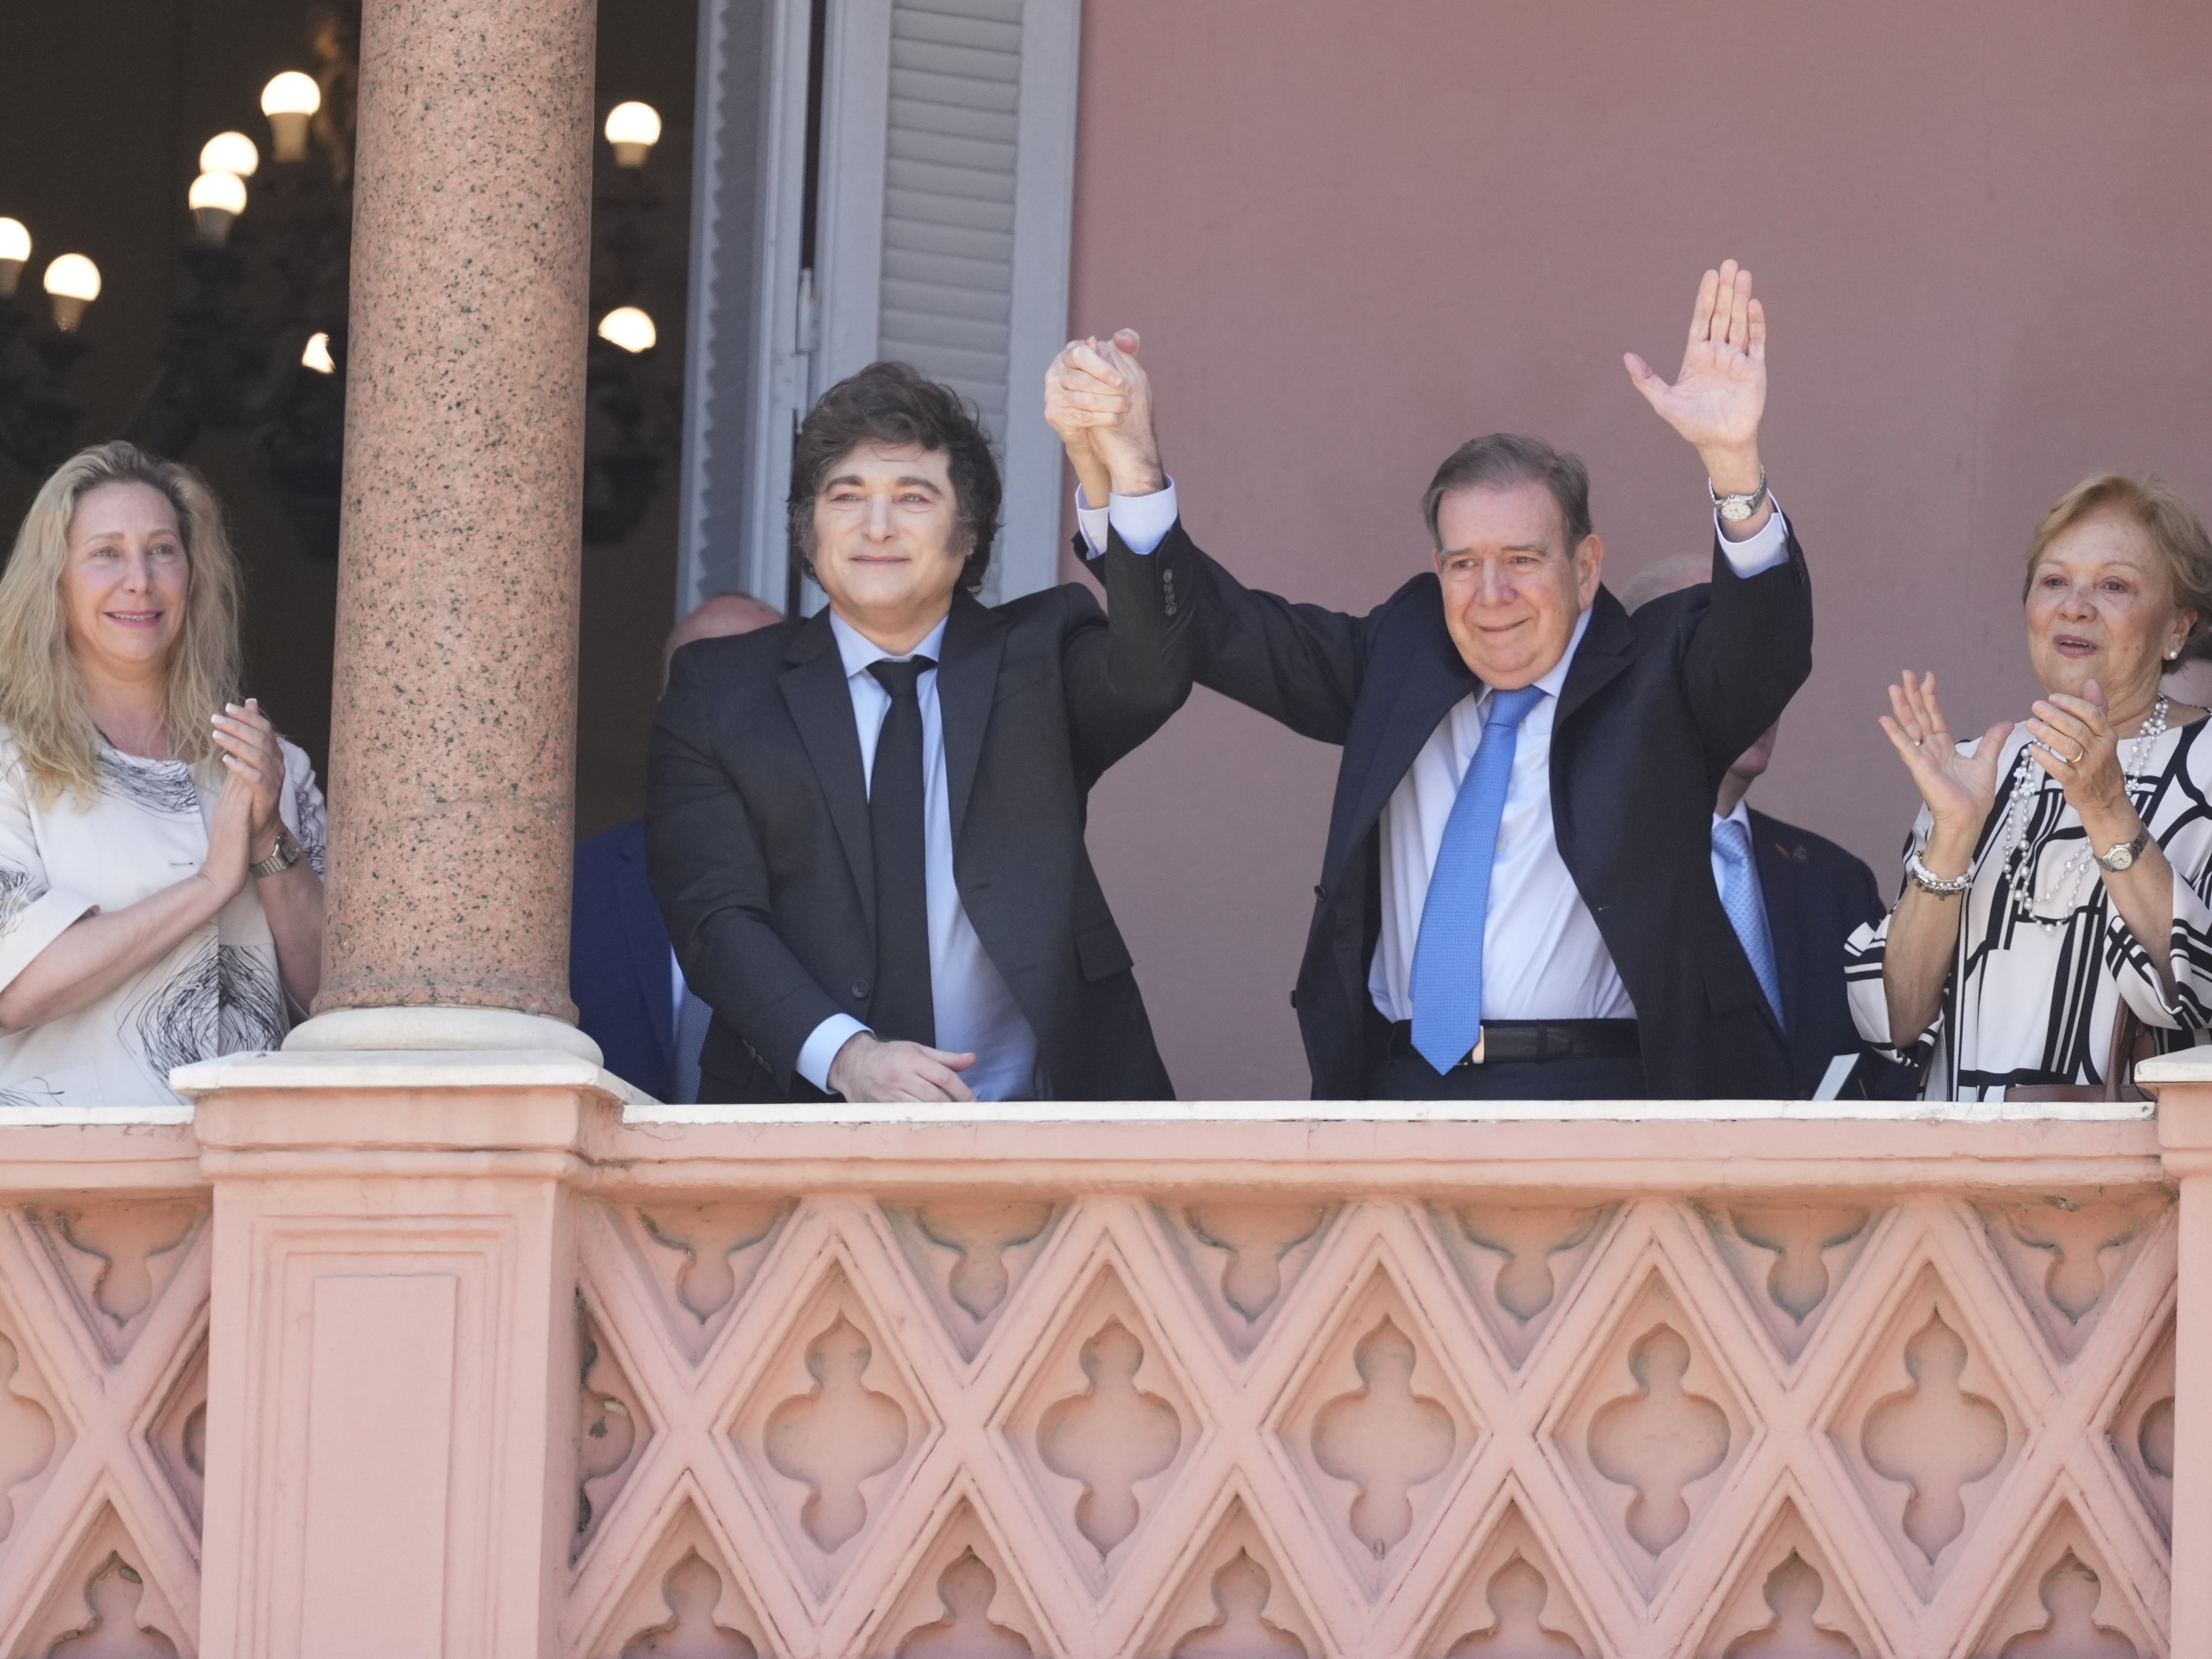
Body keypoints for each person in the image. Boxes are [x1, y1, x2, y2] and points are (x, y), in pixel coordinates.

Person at [1050, 264, 1810, 1099]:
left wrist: (1733, 465)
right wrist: (1131, 470)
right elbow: (1222, 630)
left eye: (1521, 560)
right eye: (1463, 564)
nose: (1490, 597)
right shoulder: (1404, 655)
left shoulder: (1654, 680)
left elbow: (1759, 649)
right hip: (1397, 1087)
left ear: (1584, 567)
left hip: (1598, 1093)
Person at [647, 360, 1196, 1103]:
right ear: (809, 532)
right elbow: (712, 914)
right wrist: (848, 1058)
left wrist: (1128, 466)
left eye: (913, 496)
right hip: (800, 1123)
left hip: (1044, 1123)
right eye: (847, 497)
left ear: (967, 532)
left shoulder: (1040, 651)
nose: (877, 526)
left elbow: (1151, 672)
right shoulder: (718, 690)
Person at [1848, 474, 2212, 1100]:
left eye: (2115, 584)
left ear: (2176, 628)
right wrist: (1954, 835)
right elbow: (1899, 1020)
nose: (2075, 605)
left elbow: (2195, 996)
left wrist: (2104, 807)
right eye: (2053, 581)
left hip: (2140, 1181)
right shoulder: (1972, 765)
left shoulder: (2204, 764)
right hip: (1960, 1171)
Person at [0, 442, 324, 1105]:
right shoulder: (13, 765)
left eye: (162, 550)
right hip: (72, 1173)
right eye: (105, 552)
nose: (140, 579)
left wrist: (268, 841)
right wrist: (210, 884)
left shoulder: (273, 765)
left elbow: (337, 994)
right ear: (54, 579)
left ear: (193, 574)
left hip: (253, 1168)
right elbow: (19, 986)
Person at [1621, 558, 1912, 1098]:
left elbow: (1893, 1075)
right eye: (1716, 654)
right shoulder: (1586, 875)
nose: (1753, 683)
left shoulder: (1836, 884)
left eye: (1764, 659)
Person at [571, 591, 783, 1103]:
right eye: (694, 689)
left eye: (748, 690)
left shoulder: (858, 884)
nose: (719, 718)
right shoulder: (573, 888)